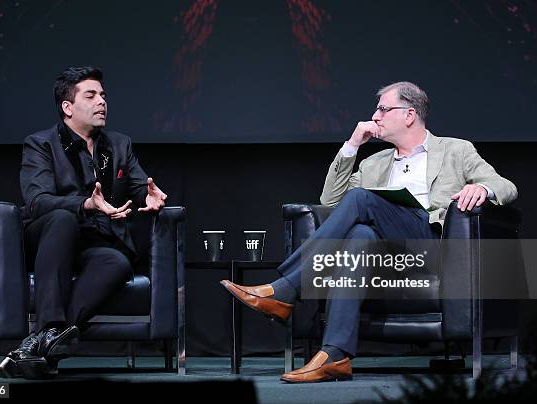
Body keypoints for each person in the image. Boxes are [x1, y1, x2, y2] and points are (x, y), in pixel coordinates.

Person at [221, 81, 518, 383]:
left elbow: (506, 187)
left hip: (429, 246)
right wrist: (352, 146)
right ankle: (335, 355)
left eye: (383, 109)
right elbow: (330, 203)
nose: (375, 116)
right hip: (384, 254)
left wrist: (481, 187)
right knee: (360, 234)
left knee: (363, 199)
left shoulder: (456, 150)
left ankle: (286, 289)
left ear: (409, 114)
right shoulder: (374, 162)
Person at [0, 66, 167, 379]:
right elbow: (37, 201)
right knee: (62, 218)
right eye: (91, 95)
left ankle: (40, 344)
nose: (102, 101)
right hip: (50, 238)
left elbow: (142, 186)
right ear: (68, 107)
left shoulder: (119, 144)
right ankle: (49, 330)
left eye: (103, 95)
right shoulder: (40, 144)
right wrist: (85, 204)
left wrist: (150, 198)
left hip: (96, 243)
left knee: (117, 262)